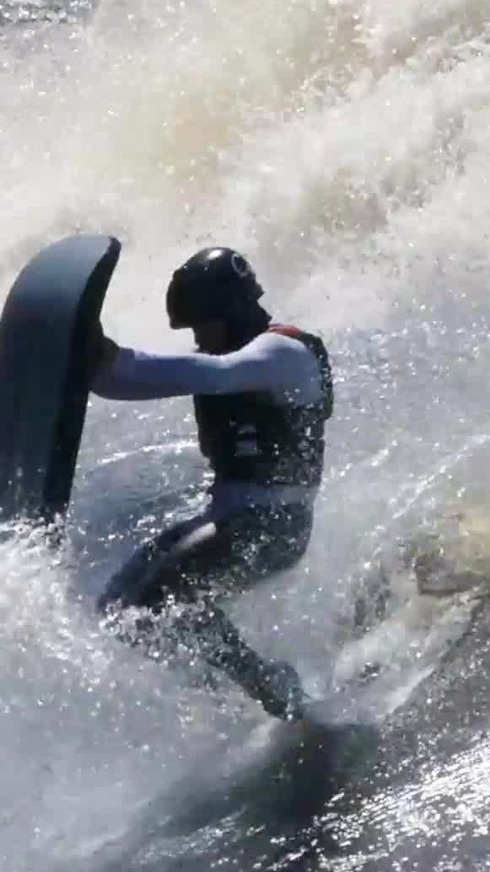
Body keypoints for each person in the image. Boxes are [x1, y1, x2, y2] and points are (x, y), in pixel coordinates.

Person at [90, 247, 333, 719]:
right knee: (120, 610)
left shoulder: (282, 352)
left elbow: (215, 374)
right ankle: (230, 698)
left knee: (157, 600)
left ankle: (265, 686)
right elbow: (129, 383)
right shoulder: (227, 357)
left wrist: (108, 355)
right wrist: (93, 370)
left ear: (233, 310)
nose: (199, 338)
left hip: (274, 526)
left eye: (202, 324)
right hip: (230, 520)